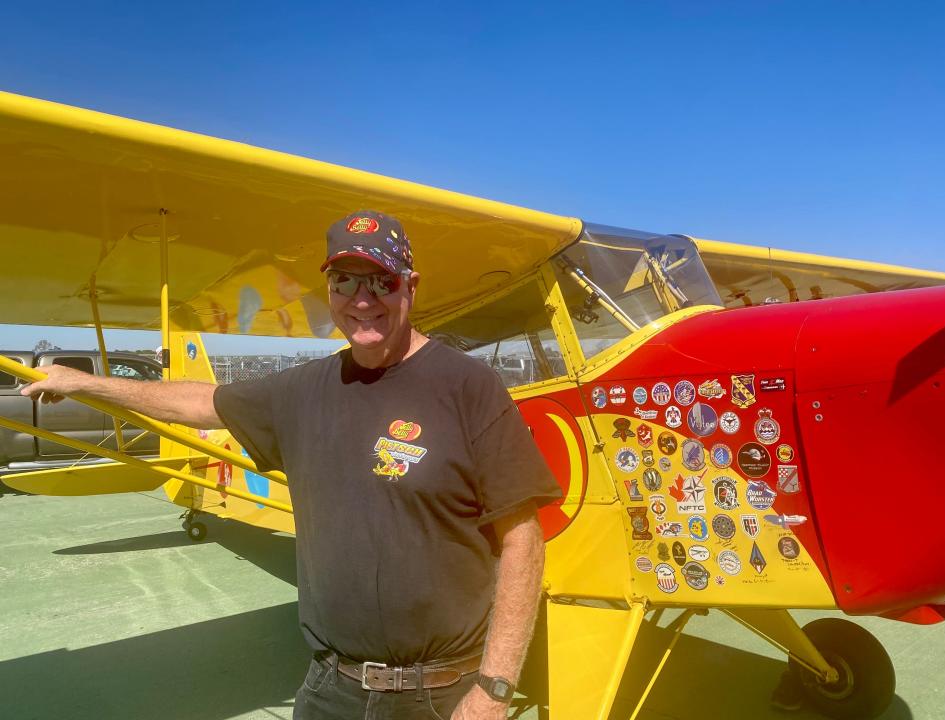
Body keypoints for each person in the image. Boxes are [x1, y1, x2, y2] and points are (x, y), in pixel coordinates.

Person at [22, 210, 561, 720]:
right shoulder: (306, 389)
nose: (362, 299)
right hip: (333, 689)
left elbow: (523, 539)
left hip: (443, 694)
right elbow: (199, 402)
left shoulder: (469, 386)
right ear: (328, 291)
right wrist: (86, 383)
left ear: (411, 286)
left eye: (380, 281)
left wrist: (494, 690)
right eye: (344, 281)